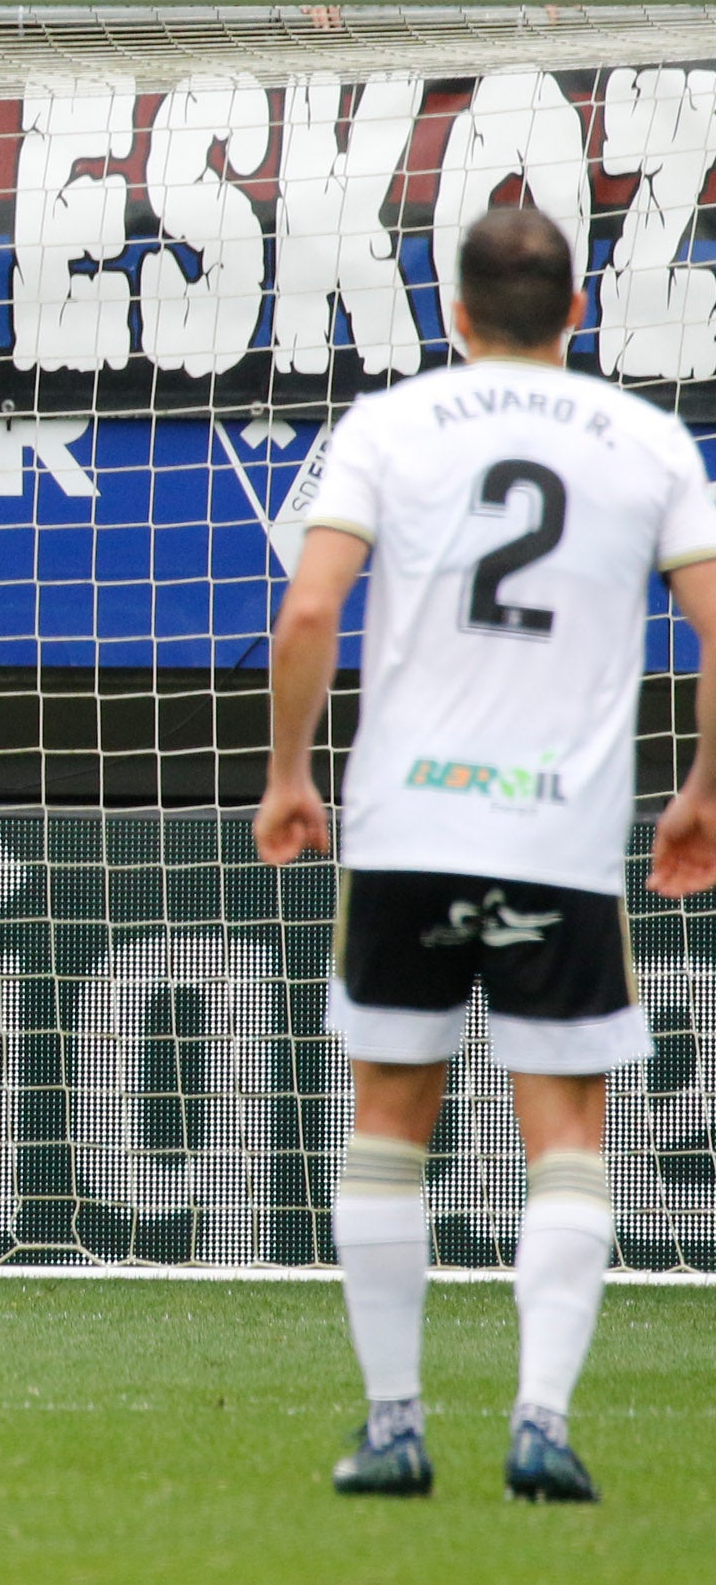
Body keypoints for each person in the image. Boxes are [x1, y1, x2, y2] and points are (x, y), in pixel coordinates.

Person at [257, 201, 716, 1505]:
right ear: (573, 313)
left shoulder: (390, 424)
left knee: (385, 1121)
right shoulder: (644, 439)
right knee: (560, 1131)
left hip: (403, 822)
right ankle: (539, 1423)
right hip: (556, 837)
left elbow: (305, 605)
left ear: (451, 314)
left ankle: (392, 1425)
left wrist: (290, 774)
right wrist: (698, 792)